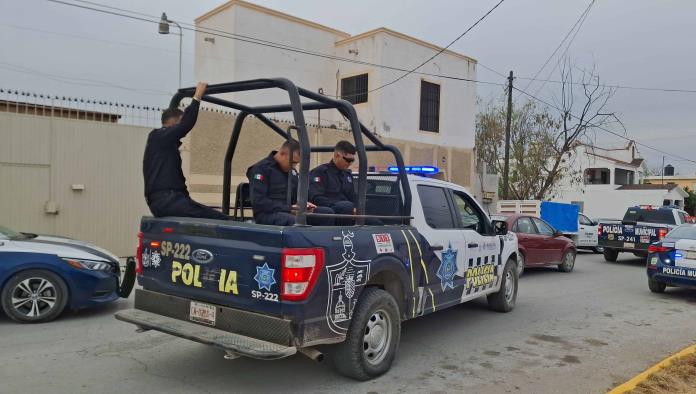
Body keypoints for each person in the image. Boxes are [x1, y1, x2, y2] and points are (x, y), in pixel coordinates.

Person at [143, 82, 228, 220]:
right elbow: (186, 124)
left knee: (208, 212)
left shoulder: (164, 145)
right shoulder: (159, 136)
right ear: (174, 122)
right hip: (168, 200)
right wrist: (197, 95)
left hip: (170, 200)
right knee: (222, 220)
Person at [247, 140, 334, 226]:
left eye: (296, 163)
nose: (293, 166)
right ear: (282, 153)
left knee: (326, 214)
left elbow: (296, 195)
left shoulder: (292, 172)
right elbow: (259, 201)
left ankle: (321, 240)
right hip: (267, 214)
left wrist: (304, 204)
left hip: (290, 211)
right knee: (295, 221)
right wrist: (289, 209)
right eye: (292, 162)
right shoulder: (261, 169)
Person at [309, 140, 358, 224]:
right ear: (337, 155)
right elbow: (316, 197)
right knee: (346, 207)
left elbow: (352, 196)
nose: (350, 163)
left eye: (352, 160)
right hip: (332, 209)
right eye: (348, 160)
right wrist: (337, 204)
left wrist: (356, 208)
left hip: (348, 211)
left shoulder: (347, 175)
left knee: (374, 222)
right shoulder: (321, 172)